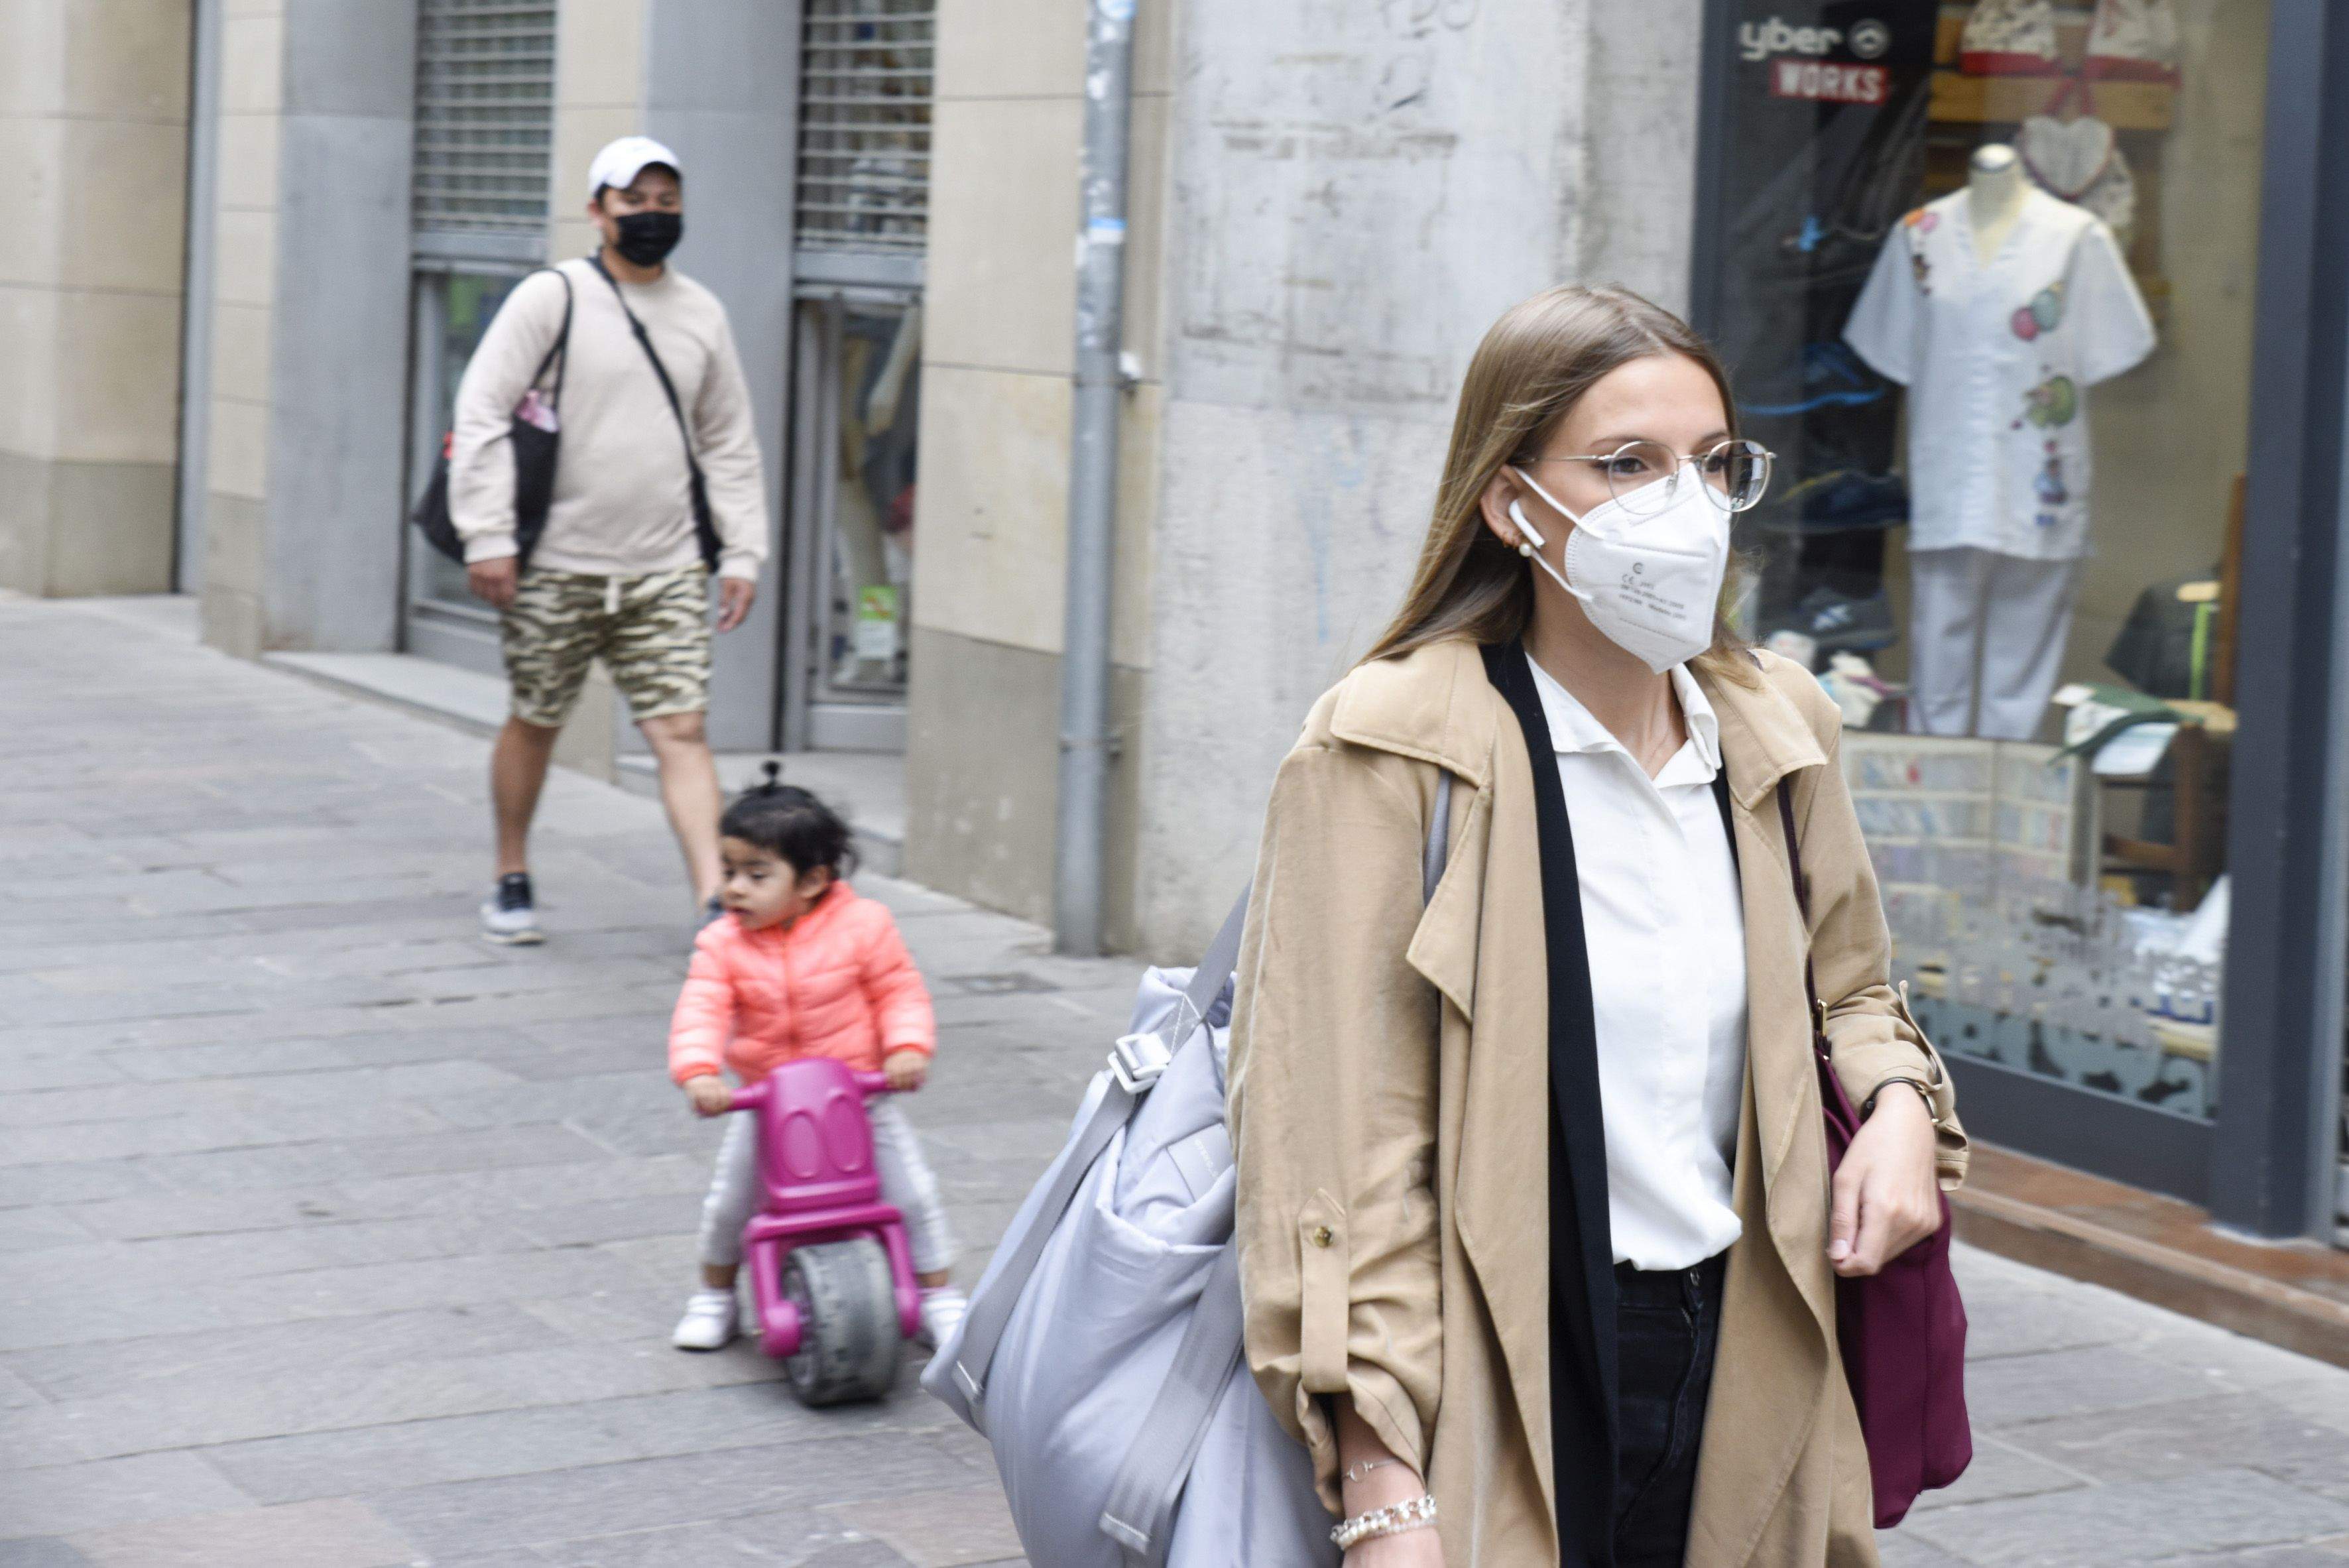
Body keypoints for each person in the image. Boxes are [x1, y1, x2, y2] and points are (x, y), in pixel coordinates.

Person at [1227, 286, 1967, 1567]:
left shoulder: (1776, 723)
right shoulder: (1390, 745)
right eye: (1626, 465)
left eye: (1712, 464)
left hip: (1753, 1335)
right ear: (1512, 505)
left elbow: (1850, 990)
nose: (1682, 505)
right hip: (1504, 1356)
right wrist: (1383, 1486)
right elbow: (1335, 1149)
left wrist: (1901, 1109)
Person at [452, 135, 769, 945]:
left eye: (667, 202)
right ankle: (511, 870)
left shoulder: (702, 313)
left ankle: (712, 903)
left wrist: (742, 552)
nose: (652, 216)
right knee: (537, 718)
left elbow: (729, 439)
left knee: (681, 730)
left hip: (665, 565)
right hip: (553, 564)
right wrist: (488, 534)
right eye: (634, 202)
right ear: (598, 212)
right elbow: (482, 410)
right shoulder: (551, 298)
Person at [665, 769, 966, 1352]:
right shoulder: (723, 943)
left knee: (910, 1195)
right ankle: (715, 1296)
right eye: (729, 872)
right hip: (766, 1105)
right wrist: (699, 1071)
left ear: (813, 881)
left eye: (756, 875)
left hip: (858, 1096)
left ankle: (938, 1295)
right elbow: (700, 1007)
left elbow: (898, 989)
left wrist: (906, 1048)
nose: (735, 890)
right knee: (731, 1203)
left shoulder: (863, 926)